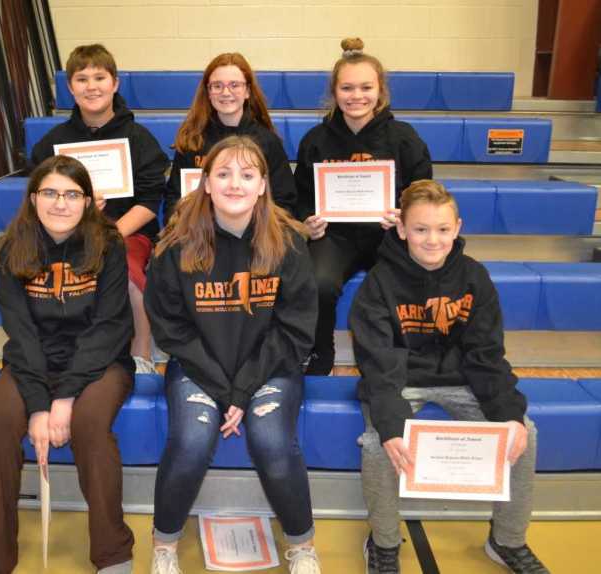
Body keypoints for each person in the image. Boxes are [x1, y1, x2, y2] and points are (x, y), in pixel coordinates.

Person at [350, 180, 548, 574]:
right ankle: (385, 542)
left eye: (442, 229)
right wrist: (391, 425)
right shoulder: (379, 284)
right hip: (402, 379)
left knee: (524, 431)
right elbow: (378, 362)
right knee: (377, 445)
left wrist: (508, 412)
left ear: (457, 227)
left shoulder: (475, 277)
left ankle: (506, 540)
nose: (432, 240)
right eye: (421, 229)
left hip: (462, 380)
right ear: (402, 229)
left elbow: (486, 354)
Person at [145, 136, 321, 574]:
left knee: (271, 439)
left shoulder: (291, 244)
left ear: (263, 184)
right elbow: (172, 330)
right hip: (198, 365)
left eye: (247, 175)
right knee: (190, 441)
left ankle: (301, 546)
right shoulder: (176, 244)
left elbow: (294, 332)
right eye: (223, 174)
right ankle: (164, 544)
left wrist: (241, 390)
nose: (235, 184)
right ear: (205, 183)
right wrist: (223, 387)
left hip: (269, 368)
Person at [0, 156, 135, 574]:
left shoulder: (109, 244)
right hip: (33, 361)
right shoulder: (10, 248)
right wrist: (39, 404)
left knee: (89, 425)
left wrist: (65, 398)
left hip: (100, 363)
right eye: (50, 193)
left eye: (71, 194)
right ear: (33, 198)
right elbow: (20, 333)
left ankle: (112, 554)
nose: (60, 203)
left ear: (87, 201)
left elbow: (110, 327)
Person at [294, 37, 432, 375]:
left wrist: (405, 217)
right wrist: (306, 223)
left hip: (387, 234)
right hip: (335, 236)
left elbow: (424, 190)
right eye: (347, 88)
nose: (357, 96)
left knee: (407, 279)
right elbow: (300, 197)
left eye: (366, 87)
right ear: (334, 92)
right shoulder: (316, 139)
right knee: (318, 281)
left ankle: (404, 357)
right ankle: (318, 353)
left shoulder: (403, 137)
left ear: (380, 90)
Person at [31, 43, 168, 374]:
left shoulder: (139, 138)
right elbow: (38, 199)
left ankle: (142, 353)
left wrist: (109, 233)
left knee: (130, 274)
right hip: (65, 233)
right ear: (70, 88)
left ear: (115, 83)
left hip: (125, 232)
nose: (91, 86)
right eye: (81, 78)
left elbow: (150, 202)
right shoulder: (51, 144)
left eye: (99, 77)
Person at [163, 52, 296, 222]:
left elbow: (284, 202)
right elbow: (175, 199)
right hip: (201, 235)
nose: (225, 92)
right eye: (217, 86)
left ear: (247, 91)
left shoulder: (268, 142)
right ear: (208, 92)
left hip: (254, 236)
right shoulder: (193, 141)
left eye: (234, 85)